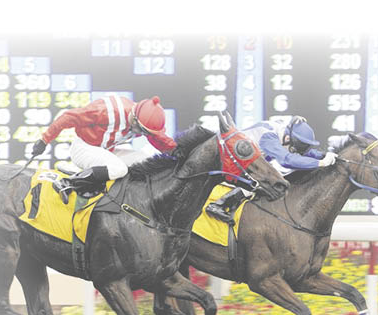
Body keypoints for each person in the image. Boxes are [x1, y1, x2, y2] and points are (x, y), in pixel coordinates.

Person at [31, 95, 177, 203]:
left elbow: (159, 140)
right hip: (84, 148)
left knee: (144, 160)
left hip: (105, 150)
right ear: (134, 118)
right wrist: (44, 140)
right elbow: (68, 117)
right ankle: (68, 183)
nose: (142, 134)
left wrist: (178, 152)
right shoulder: (106, 111)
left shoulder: (141, 119)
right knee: (119, 169)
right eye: (141, 130)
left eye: (145, 132)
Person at [205, 115, 337, 223]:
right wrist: (320, 163)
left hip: (245, 158)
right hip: (229, 159)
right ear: (287, 138)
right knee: (268, 177)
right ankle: (220, 204)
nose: (299, 151)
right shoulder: (269, 137)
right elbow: (287, 160)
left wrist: (324, 155)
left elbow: (304, 153)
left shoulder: (287, 134)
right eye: (297, 148)